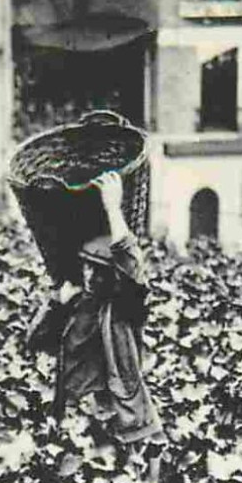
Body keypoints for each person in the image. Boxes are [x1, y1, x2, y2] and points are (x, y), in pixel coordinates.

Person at [25, 172, 163, 445]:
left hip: (117, 421)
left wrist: (113, 208)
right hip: (75, 417)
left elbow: (132, 267)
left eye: (96, 268)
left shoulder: (121, 310)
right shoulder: (76, 302)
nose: (89, 273)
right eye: (86, 265)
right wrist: (55, 305)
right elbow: (35, 343)